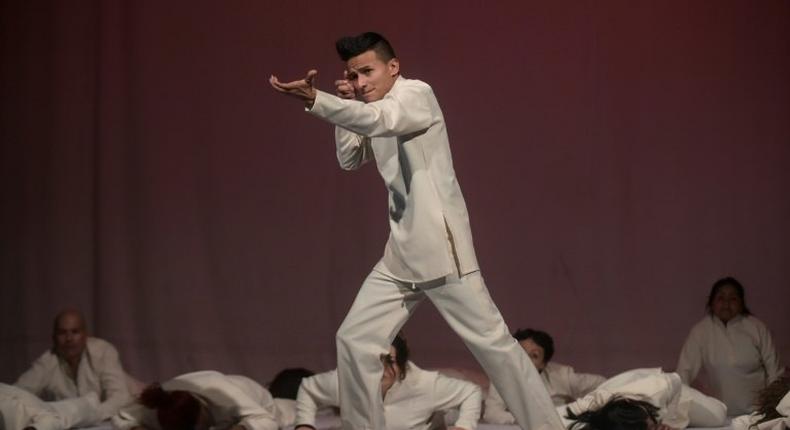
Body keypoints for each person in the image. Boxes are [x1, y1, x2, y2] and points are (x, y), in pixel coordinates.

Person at [269, 31, 563, 430]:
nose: (360, 83)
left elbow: (383, 122)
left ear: (393, 67)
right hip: (400, 255)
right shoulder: (369, 106)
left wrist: (321, 100)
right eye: (353, 76)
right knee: (354, 341)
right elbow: (350, 160)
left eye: (368, 72)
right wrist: (346, 106)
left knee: (496, 350)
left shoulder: (415, 95)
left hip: (442, 251)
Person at [294, 335, 481, 430]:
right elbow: (308, 388)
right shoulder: (347, 381)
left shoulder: (424, 384)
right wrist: (304, 425)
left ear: (401, 362)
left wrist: (464, 426)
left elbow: (471, 392)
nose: (380, 371)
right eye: (374, 362)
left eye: (389, 361)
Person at [676, 277, 784, 415]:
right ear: (712, 302)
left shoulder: (757, 328)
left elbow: (775, 372)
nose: (726, 304)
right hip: (719, 415)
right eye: (721, 298)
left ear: (741, 303)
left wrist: (772, 409)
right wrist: (679, 411)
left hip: (757, 414)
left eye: (733, 299)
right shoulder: (700, 331)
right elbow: (684, 372)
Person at [15, 309, 133, 423]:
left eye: (75, 332)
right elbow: (16, 394)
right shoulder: (47, 361)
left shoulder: (103, 351)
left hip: (136, 408)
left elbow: (120, 398)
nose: (69, 339)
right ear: (53, 337)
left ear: (85, 335)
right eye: (62, 333)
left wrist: (86, 417)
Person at [484, 328, 606, 424]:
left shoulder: (562, 376)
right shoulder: (502, 377)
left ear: (543, 364)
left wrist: (585, 409)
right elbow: (491, 414)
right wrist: (530, 419)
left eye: (534, 355)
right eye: (520, 352)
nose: (524, 359)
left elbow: (602, 383)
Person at [111, 370, 289, 430]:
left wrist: (241, 428)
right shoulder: (154, 408)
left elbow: (266, 419)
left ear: (202, 410)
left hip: (256, 393)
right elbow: (122, 415)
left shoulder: (226, 397)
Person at [561, 368, 728, 430]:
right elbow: (560, 414)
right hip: (639, 395)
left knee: (719, 415)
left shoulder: (656, 389)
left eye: (651, 427)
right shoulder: (605, 419)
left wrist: (669, 421)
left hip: (673, 393)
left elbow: (675, 379)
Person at [0, 383, 100, 430]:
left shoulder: (16, 402)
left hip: (56, 413)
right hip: (46, 409)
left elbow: (53, 420)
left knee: (81, 408)